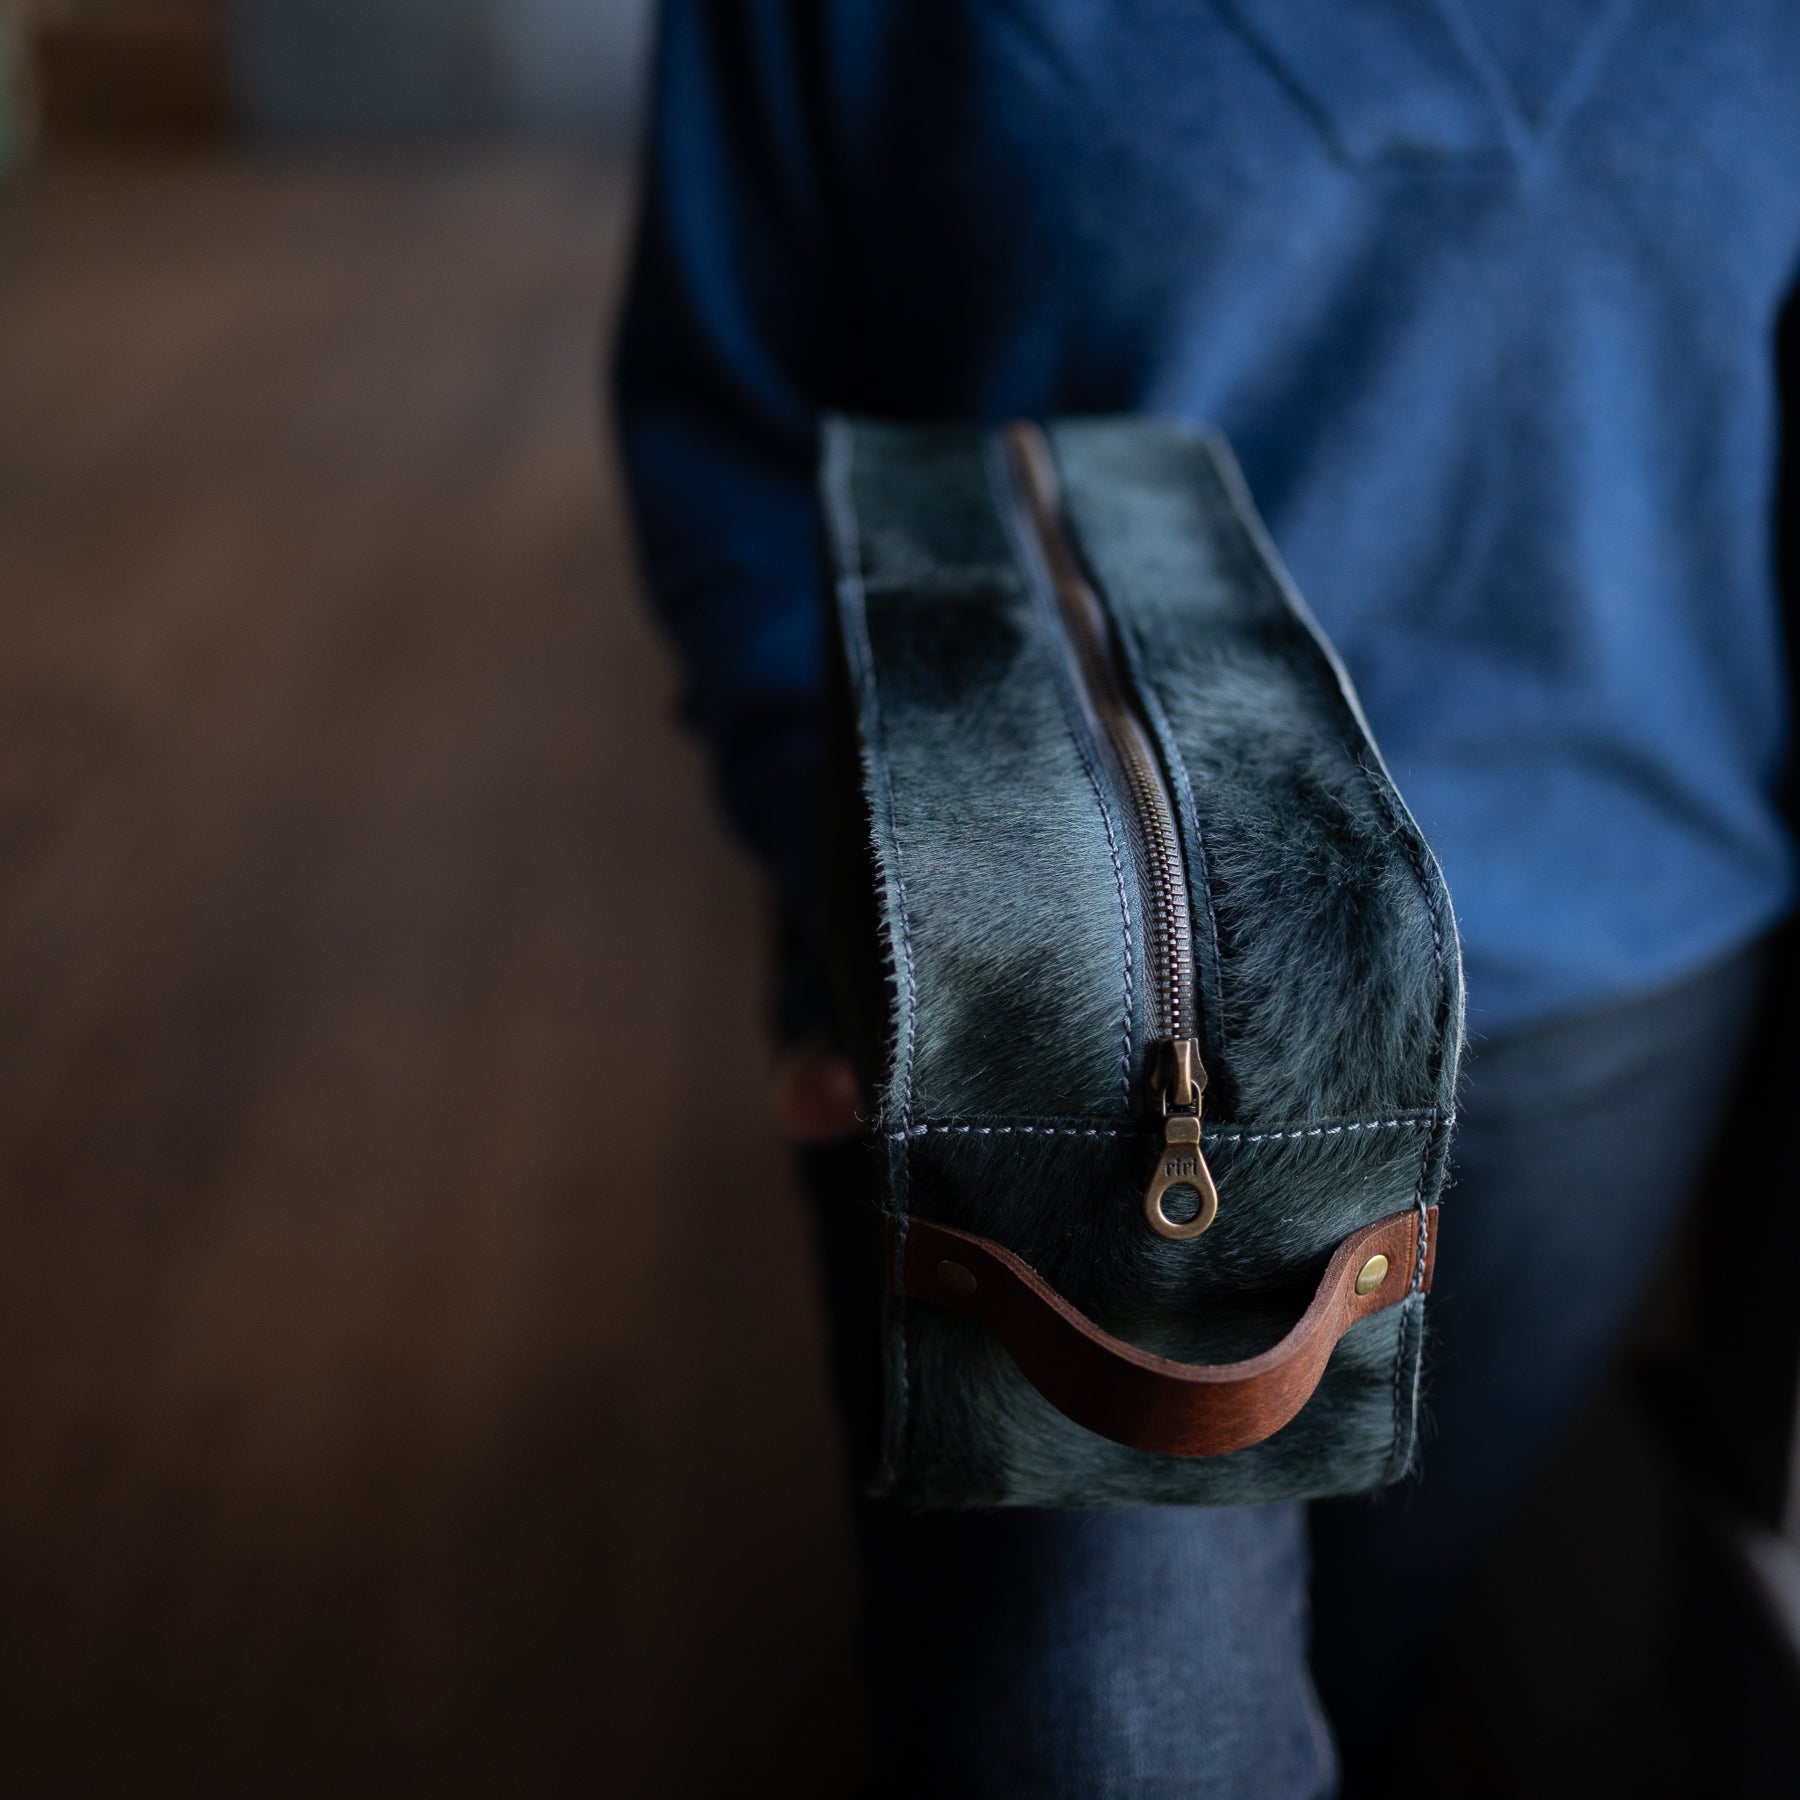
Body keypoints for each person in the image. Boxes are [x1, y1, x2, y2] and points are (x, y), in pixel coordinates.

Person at [613, 5, 1799, 1794]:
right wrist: (872, 896)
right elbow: (730, 432)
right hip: (1079, 1032)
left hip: (1613, 962)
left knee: (1380, 1647)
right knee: (1100, 1729)